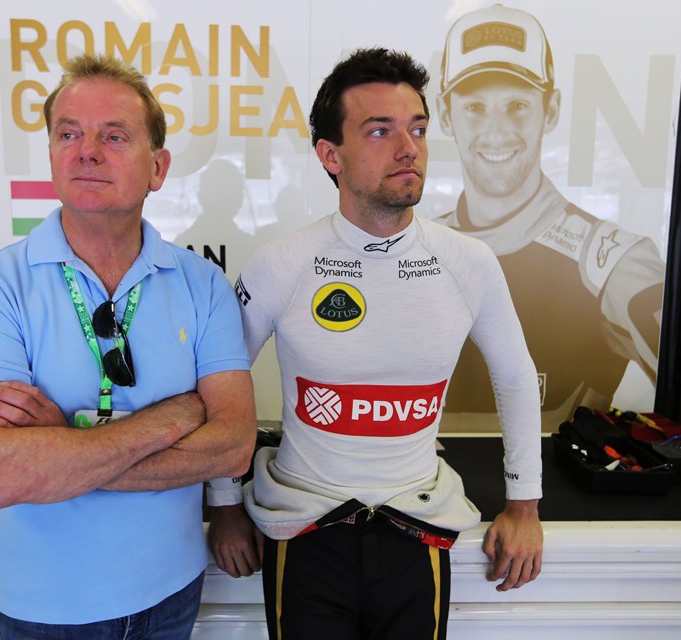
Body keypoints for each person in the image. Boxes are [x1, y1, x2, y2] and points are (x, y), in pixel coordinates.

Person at [206, 47, 543, 639]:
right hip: (303, 526)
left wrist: (524, 506)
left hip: (418, 524)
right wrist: (225, 506)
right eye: (380, 131)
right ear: (330, 155)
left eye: (418, 129)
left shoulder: (468, 261)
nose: (408, 147)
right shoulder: (281, 263)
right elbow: (220, 387)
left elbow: (516, 379)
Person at [0, 53, 257, 639]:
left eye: (114, 136)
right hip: (49, 607)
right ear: (51, 154)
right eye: (69, 134)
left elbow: (233, 447)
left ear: (157, 168)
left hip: (171, 589)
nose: (86, 151)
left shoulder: (202, 283)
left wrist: (63, 449)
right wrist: (175, 416)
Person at [436, 4, 665, 423]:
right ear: (446, 116)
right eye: (475, 107)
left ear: (552, 110)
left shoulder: (609, 263)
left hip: (545, 471)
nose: (496, 132)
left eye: (517, 105)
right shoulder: (413, 246)